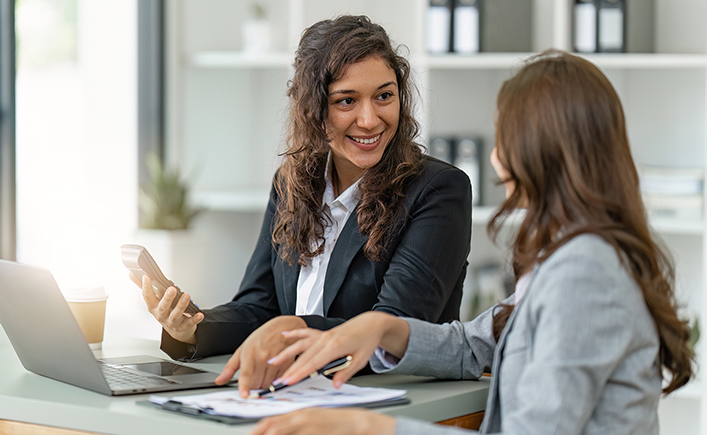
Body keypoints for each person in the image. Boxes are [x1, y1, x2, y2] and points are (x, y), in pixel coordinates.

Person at [250, 50, 695, 435]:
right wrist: (382, 329)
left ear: (541, 150)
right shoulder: (567, 256)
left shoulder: (585, 273)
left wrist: (371, 427)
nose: (496, 159)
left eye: (504, 139)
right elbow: (473, 345)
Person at [133, 15, 472, 396]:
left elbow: (394, 326)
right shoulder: (292, 182)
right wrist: (192, 326)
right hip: (295, 391)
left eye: (384, 96)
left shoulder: (438, 190)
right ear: (313, 109)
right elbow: (259, 308)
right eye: (347, 101)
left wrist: (293, 328)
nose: (369, 119)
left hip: (389, 400)